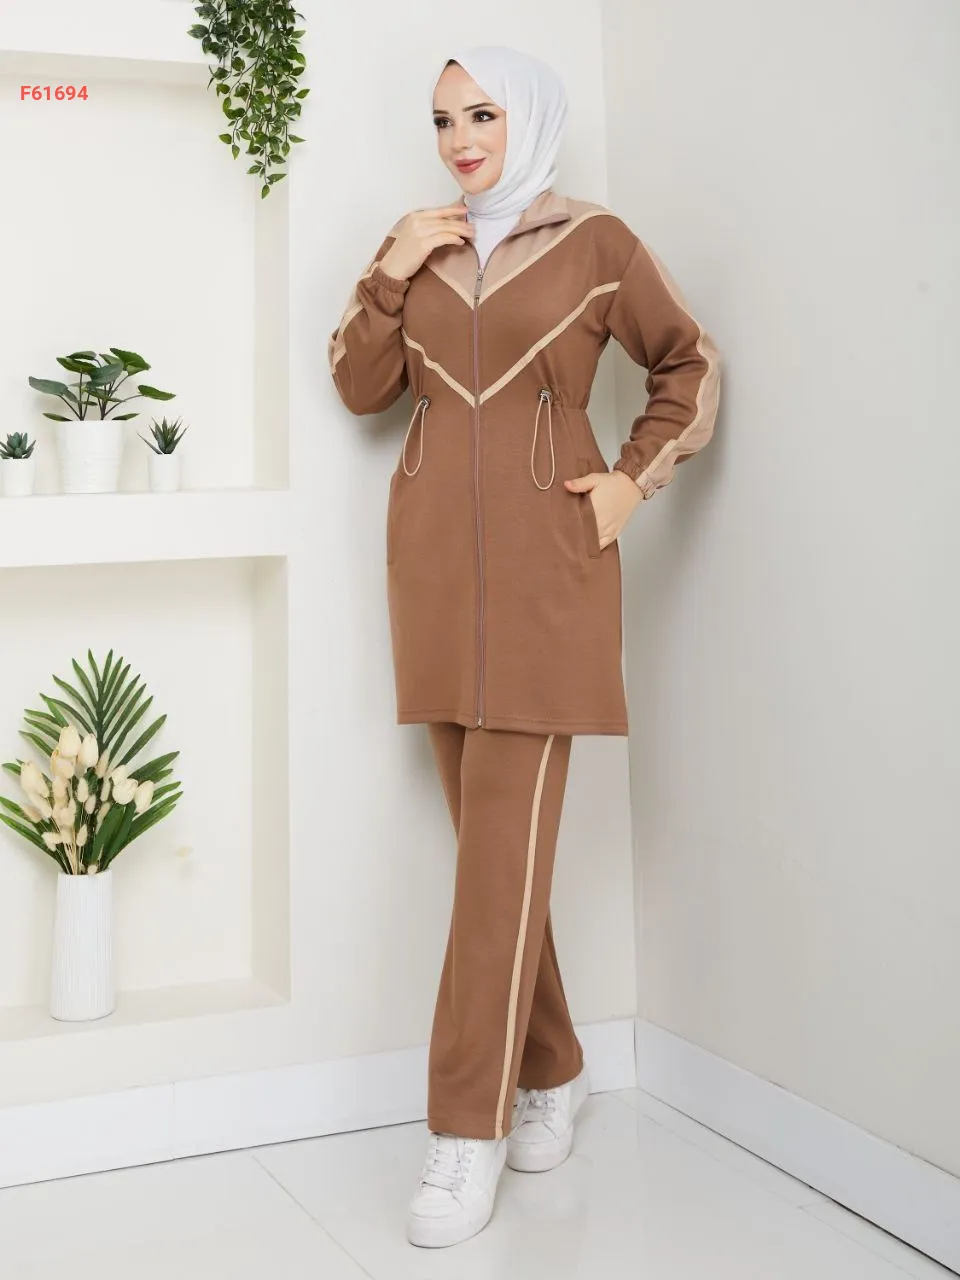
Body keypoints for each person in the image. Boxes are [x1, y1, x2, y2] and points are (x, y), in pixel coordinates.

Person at [328, 44, 720, 1249]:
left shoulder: (597, 243)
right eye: (444, 120)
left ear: (529, 119)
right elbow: (360, 386)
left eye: (483, 114)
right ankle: (553, 1064)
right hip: (434, 579)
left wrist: (632, 480)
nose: (461, 139)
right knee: (495, 860)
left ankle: (465, 1129)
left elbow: (690, 364)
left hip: (551, 582)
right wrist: (390, 269)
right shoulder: (420, 247)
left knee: (497, 864)